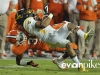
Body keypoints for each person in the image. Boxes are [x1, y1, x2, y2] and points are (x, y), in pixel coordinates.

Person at [22, 8, 94, 71]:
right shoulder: (28, 21)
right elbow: (43, 25)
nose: (36, 16)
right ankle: (79, 66)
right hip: (50, 38)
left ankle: (84, 36)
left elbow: (44, 22)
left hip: (54, 33)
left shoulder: (33, 22)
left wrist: (46, 13)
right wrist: (50, 15)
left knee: (68, 25)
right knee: (68, 44)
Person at [6, 8, 77, 67]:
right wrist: (47, 14)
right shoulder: (25, 27)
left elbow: (18, 62)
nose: (31, 14)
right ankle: (59, 60)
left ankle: (59, 60)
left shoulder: (18, 27)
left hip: (48, 34)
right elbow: (43, 24)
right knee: (73, 47)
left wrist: (28, 63)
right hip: (47, 42)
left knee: (71, 41)